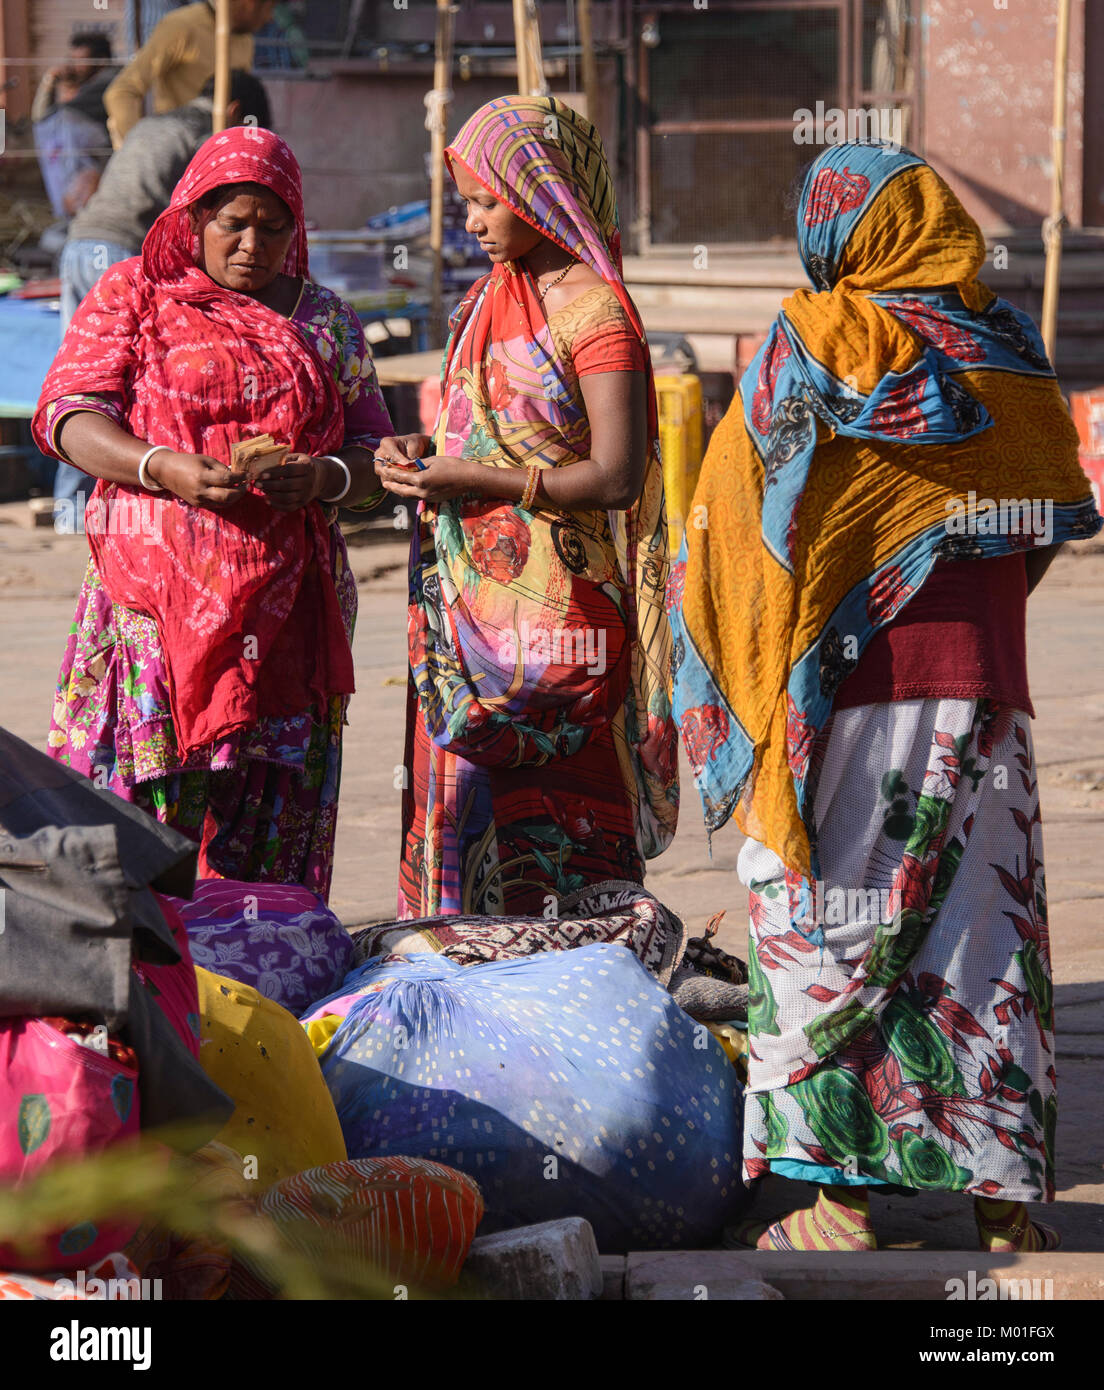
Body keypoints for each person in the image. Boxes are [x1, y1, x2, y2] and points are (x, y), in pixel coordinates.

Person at [670, 140, 1103, 1252]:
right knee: (981, 934)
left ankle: (843, 1203)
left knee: (827, 924)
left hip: (849, 694)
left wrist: (800, 635)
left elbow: (744, 517)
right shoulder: (1006, 345)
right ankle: (1006, 1206)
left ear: (837, 233)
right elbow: (1040, 522)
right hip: (986, 690)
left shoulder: (818, 338)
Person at [32, 126, 393, 901]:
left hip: (287, 618)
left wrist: (323, 477)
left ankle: (257, 993)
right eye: (233, 221)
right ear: (193, 219)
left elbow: (378, 462)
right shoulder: (136, 292)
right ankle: (141, 994)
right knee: (134, 832)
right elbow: (67, 414)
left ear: (297, 229)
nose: (252, 242)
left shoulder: (325, 321)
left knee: (265, 836)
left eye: (273, 225)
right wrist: (160, 466)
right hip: (153, 614)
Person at [375, 95, 679, 919]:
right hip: (467, 614)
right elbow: (470, 433)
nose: (471, 221)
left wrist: (479, 483)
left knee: (562, 822)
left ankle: (582, 996)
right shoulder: (483, 303)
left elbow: (615, 476)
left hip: (562, 616)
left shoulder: (596, 312)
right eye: (466, 202)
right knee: (468, 814)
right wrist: (415, 454)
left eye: (485, 201)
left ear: (540, 190)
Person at [53, 70, 272, 531]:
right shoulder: (202, 137)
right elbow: (186, 216)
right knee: (97, 390)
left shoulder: (157, 123)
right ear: (234, 112)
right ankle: (84, 507)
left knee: (83, 383)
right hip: (121, 249)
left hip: (80, 244)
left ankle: (69, 511)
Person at [104, 0, 275, 149]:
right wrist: (140, 150)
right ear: (250, 2)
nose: (270, 18)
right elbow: (121, 92)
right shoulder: (181, 26)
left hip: (218, 158)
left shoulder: (245, 39)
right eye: (270, 6)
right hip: (178, 159)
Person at [32, 32, 115, 221]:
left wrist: (50, 81)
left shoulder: (107, 82)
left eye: (81, 60)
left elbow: (44, 117)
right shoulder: (90, 85)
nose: (73, 67)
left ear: (100, 61)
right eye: (72, 59)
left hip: (105, 164)